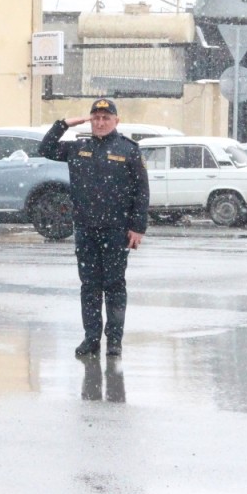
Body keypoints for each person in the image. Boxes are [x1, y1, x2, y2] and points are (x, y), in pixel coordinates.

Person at [37, 98, 149, 358]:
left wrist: (137, 227)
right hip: (86, 229)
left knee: (114, 285)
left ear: (116, 121)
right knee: (89, 286)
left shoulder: (128, 150)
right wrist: (63, 124)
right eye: (96, 118)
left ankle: (114, 340)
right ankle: (91, 338)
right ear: (90, 120)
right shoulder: (79, 147)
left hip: (116, 229)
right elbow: (46, 148)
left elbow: (141, 191)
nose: (100, 123)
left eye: (106, 118)